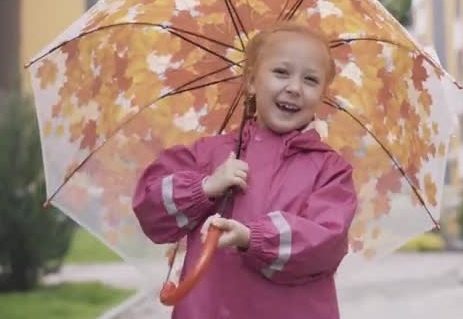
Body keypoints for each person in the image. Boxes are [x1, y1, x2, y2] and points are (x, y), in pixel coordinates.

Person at [132, 22, 357, 319]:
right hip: (208, 308)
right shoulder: (210, 154)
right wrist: (205, 188)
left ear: (322, 95)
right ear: (251, 81)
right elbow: (151, 209)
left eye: (311, 80)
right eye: (281, 72)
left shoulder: (330, 170)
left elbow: (326, 242)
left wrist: (253, 238)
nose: (294, 87)